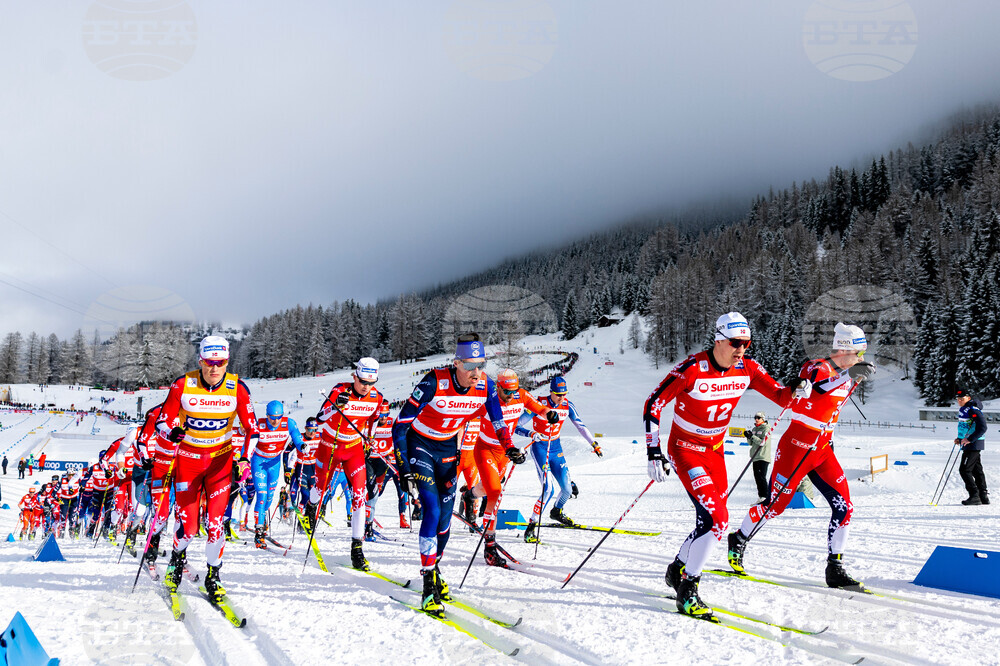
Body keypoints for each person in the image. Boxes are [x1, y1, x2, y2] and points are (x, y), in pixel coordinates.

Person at [643, 312, 807, 619]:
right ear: (718, 340)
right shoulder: (692, 369)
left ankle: (676, 570)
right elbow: (653, 403)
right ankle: (688, 592)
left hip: (715, 452)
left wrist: (797, 388)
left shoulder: (748, 367)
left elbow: (782, 397)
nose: (741, 349)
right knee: (718, 520)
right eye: (735, 343)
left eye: (746, 343)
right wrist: (653, 452)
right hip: (686, 450)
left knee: (710, 523)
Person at [728, 323, 876, 591]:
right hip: (796, 446)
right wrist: (848, 376)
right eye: (859, 352)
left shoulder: (846, 372)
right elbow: (816, 388)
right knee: (775, 507)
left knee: (844, 507)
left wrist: (851, 375)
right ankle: (739, 538)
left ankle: (835, 568)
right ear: (845, 349)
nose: (862, 358)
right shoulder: (818, 366)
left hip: (821, 450)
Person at [393, 333, 516, 616]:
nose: (476, 372)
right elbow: (400, 427)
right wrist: (404, 471)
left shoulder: (485, 386)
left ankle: (435, 570)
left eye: (481, 365)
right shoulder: (434, 381)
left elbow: (498, 421)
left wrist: (509, 447)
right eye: (470, 366)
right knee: (432, 511)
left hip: (449, 449)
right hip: (420, 445)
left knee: (446, 520)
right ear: (456, 362)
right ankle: (427, 587)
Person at [155, 336, 260, 602]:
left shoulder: (238, 388)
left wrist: (245, 458)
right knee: (189, 528)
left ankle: (214, 576)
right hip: (188, 462)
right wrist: (172, 431)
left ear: (227, 362)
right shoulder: (182, 385)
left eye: (220, 363)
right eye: (209, 362)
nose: (214, 368)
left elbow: (253, 429)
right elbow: (161, 422)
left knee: (216, 525)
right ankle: (177, 559)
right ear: (200, 361)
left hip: (220, 463)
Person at [463, 368, 555, 566]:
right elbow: (463, 417)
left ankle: (470, 496)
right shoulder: (490, 401)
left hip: (505, 453)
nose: (510, 396)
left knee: (487, 489)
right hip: (485, 449)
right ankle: (489, 547)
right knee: (495, 493)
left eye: (513, 391)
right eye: (506, 392)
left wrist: (550, 414)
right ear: (498, 386)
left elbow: (540, 408)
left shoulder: (521, 396)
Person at [308, 357, 384, 571]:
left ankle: (357, 549)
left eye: (371, 383)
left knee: (360, 496)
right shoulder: (339, 390)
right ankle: (312, 505)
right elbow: (319, 419)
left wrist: (371, 437)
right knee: (321, 487)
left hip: (353, 449)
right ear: (355, 377)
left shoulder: (376, 398)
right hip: (329, 445)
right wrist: (336, 406)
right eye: (362, 382)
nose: (366, 387)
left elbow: (374, 420)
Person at [519, 375, 600, 541]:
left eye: (564, 394)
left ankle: (556, 511)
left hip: (556, 448)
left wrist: (594, 444)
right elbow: (517, 424)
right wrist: (531, 433)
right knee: (548, 489)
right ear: (551, 392)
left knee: (567, 490)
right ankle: (531, 526)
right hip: (540, 448)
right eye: (558, 394)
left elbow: (580, 426)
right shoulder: (539, 403)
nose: (561, 398)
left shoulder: (567, 405)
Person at [251, 400, 303, 548]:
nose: (275, 421)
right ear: (266, 415)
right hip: (259, 462)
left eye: (279, 417)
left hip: (274, 464)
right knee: (261, 494)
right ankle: (259, 531)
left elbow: (297, 438)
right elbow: (247, 444)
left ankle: (262, 519)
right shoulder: (259, 425)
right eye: (272, 417)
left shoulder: (289, 423)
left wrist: (302, 446)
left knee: (269, 497)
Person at [365, 401, 411, 532]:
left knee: (402, 491)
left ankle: (402, 518)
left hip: (393, 461)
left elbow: (400, 439)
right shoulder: (371, 423)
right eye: (381, 415)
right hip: (377, 461)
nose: (383, 417)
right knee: (377, 491)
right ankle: (366, 512)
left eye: (385, 414)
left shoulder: (392, 423)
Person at [956, 388, 989, 505]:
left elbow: (983, 427)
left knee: (964, 470)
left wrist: (969, 439)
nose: (959, 401)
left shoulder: (973, 409)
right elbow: (965, 427)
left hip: (973, 444)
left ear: (968, 398)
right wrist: (959, 439)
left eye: (962, 398)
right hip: (968, 443)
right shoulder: (964, 409)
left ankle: (974, 495)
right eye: (958, 399)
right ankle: (983, 495)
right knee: (976, 469)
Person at [745, 412, 771, 502]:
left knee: (761, 477)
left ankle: (766, 496)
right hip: (755, 456)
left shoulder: (766, 428)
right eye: (755, 417)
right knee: (757, 477)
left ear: (763, 419)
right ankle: (761, 497)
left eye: (758, 418)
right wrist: (748, 436)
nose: (756, 419)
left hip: (763, 456)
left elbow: (762, 442)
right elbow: (751, 443)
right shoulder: (755, 428)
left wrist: (752, 436)